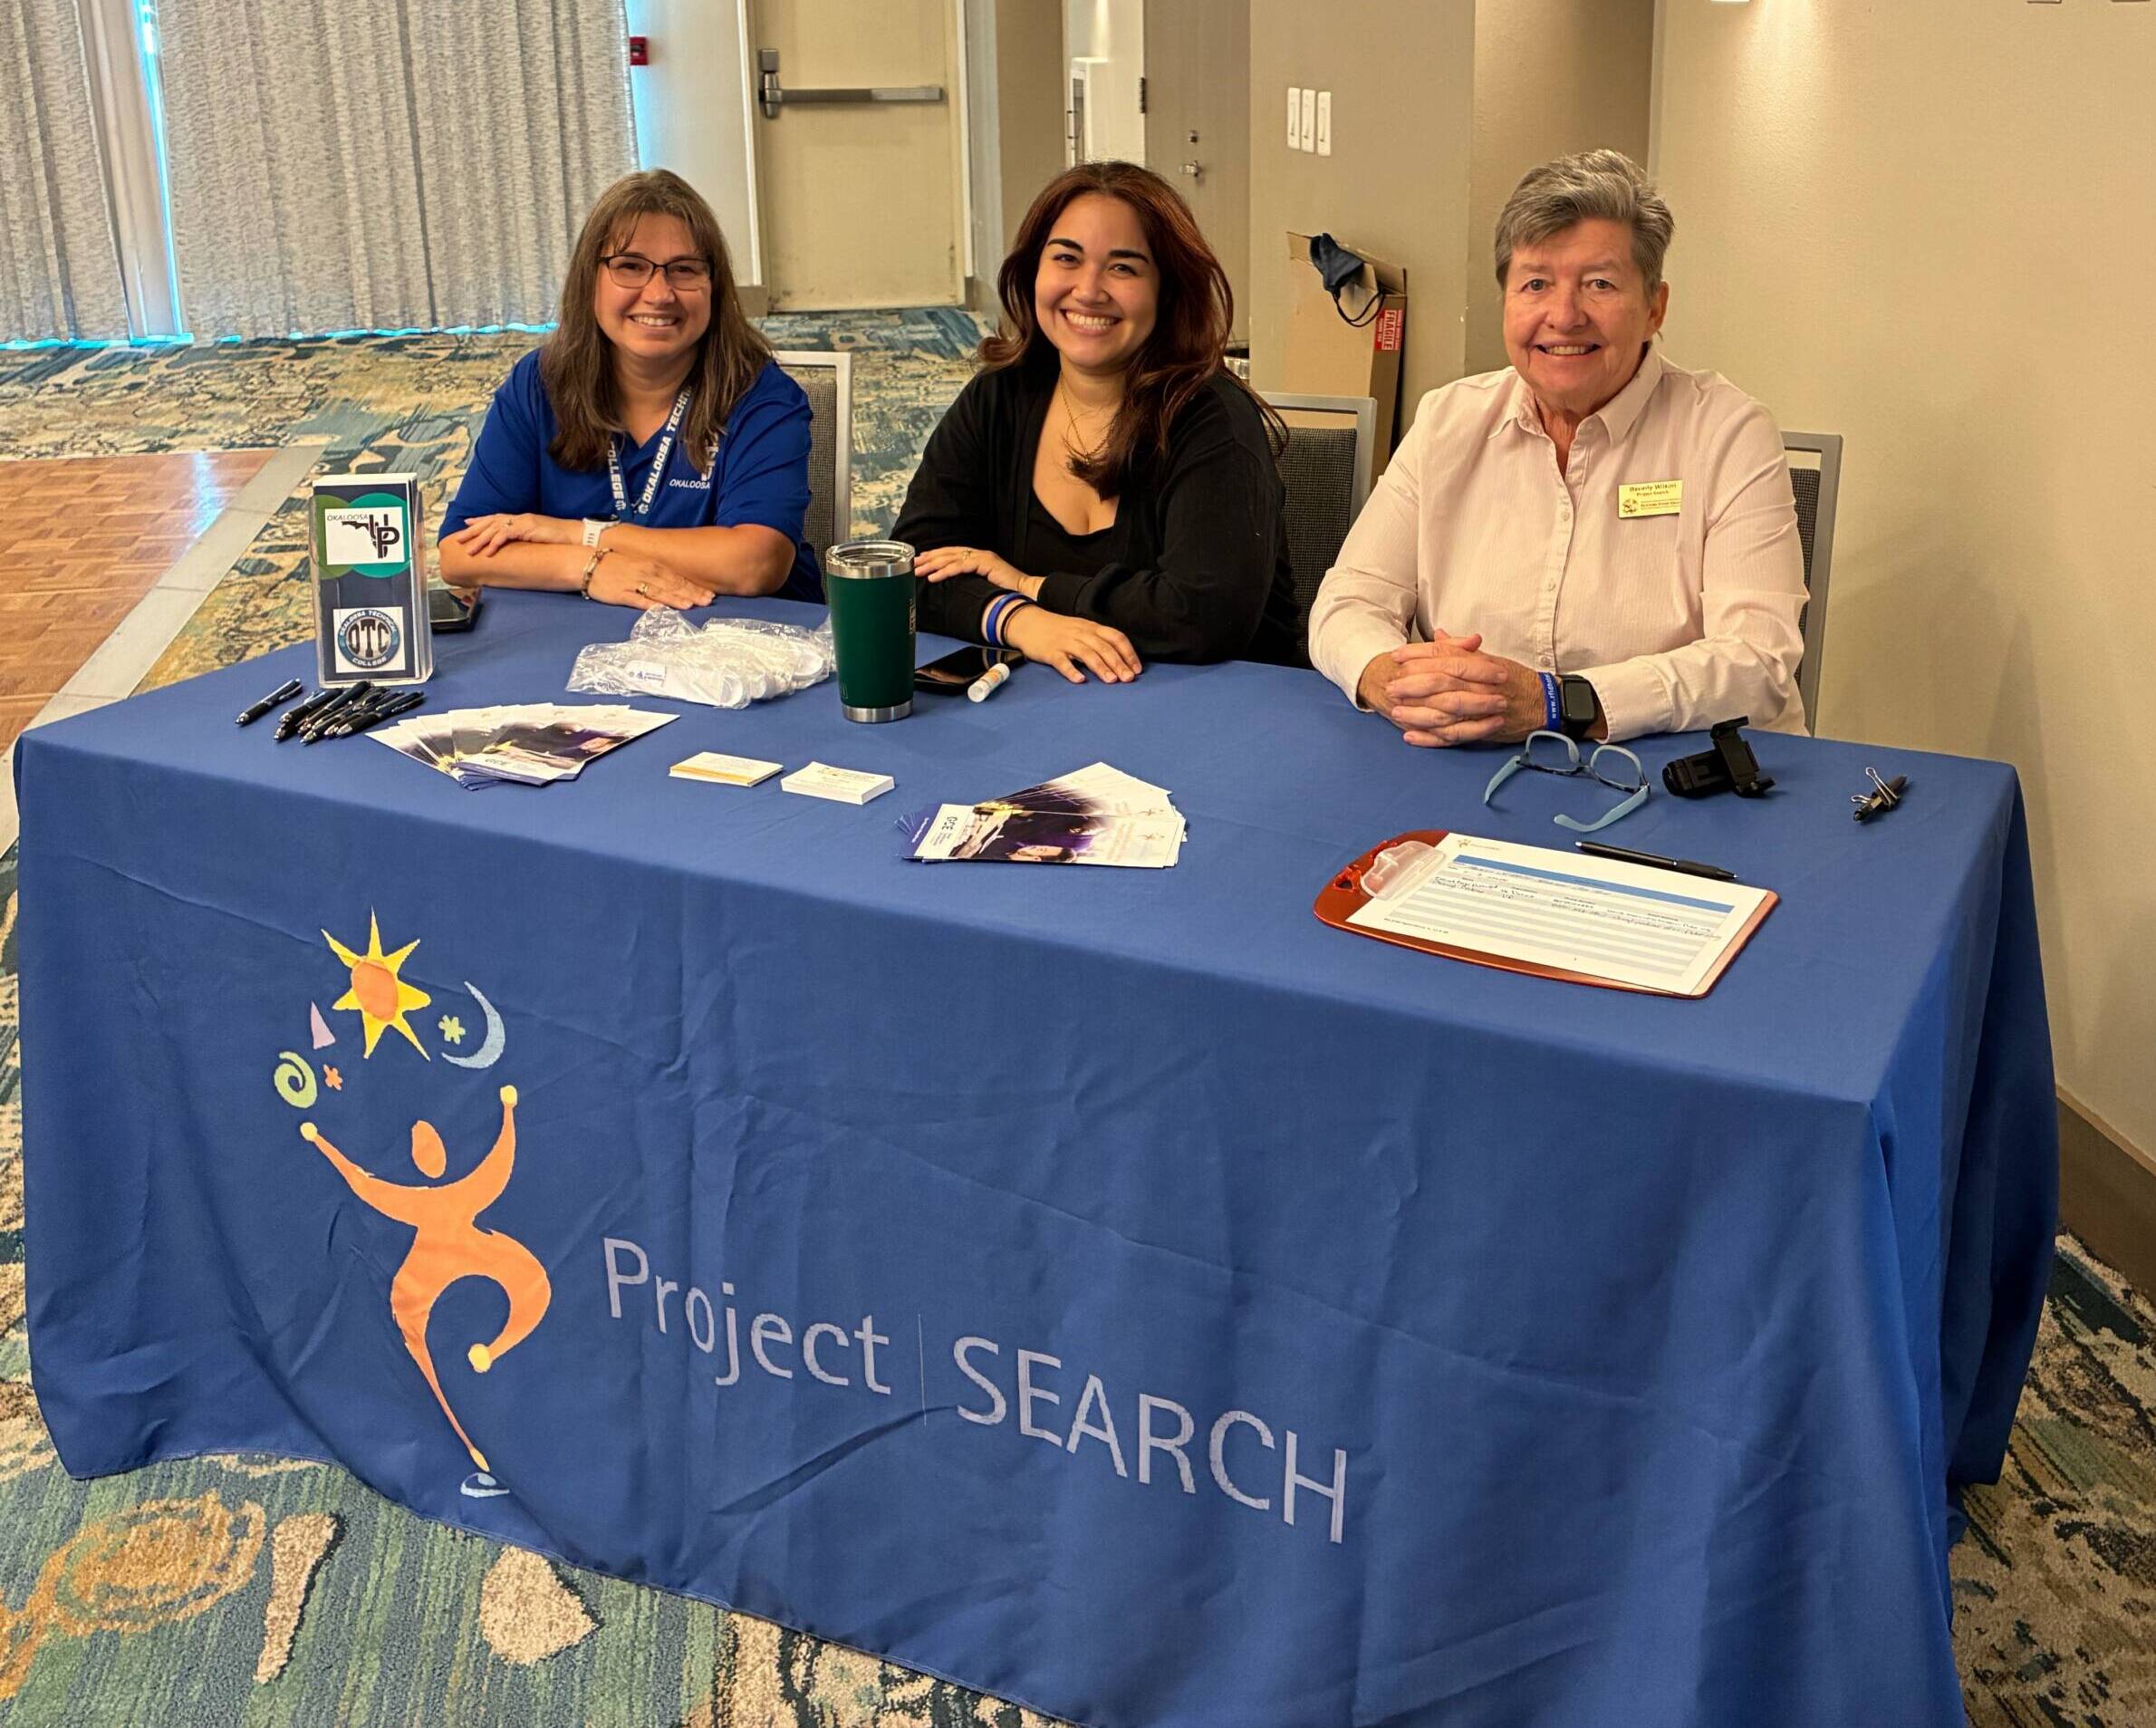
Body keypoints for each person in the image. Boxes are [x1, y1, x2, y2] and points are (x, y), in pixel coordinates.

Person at [1306, 150, 1807, 746]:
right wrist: (1388, 675)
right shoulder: (1449, 419)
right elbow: (1346, 600)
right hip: (1474, 763)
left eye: (1599, 284)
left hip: (1674, 773)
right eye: (1536, 283)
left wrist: (1556, 702)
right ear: (1506, 301)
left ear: (1654, 307)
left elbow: (1759, 662)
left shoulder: (1729, 434)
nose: (1564, 316)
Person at [893, 161, 1302, 683]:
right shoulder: (998, 398)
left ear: (1167, 290)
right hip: (1041, 705)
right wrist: (1021, 621)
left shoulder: (1213, 420)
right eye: (1066, 258)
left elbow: (1202, 617)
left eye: (1123, 268)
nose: (1088, 290)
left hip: (1214, 713)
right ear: (1032, 272)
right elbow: (915, 570)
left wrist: (1031, 584)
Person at [438, 169, 817, 611]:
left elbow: (754, 564)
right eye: (630, 266)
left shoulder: (762, 396)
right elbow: (461, 554)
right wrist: (591, 567)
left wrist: (580, 534)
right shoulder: (539, 384)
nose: (659, 294)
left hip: (737, 646)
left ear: (715, 286)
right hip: (574, 643)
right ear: (590, 280)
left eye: (685, 270)